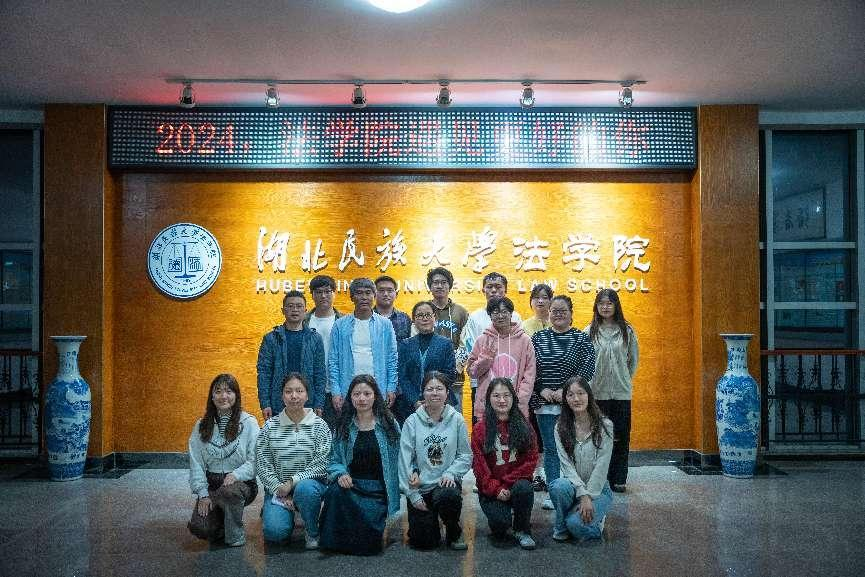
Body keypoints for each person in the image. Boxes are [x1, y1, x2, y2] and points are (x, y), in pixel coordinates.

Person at [320, 375, 401, 555]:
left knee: (369, 546)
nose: (362, 398)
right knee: (334, 492)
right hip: (352, 485)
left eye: (367, 393)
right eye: (356, 394)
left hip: (378, 489)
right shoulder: (343, 424)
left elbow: (401, 458)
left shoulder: (389, 424)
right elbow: (332, 458)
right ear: (350, 397)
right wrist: (341, 473)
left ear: (375, 396)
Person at [532, 295, 596, 509]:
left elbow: (587, 368)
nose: (558, 314)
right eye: (554, 311)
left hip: (573, 405)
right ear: (548, 313)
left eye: (563, 311)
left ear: (571, 314)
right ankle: (554, 493)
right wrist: (542, 388)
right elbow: (530, 367)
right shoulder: (538, 338)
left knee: (573, 448)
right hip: (544, 404)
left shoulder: (581, 338)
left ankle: (576, 491)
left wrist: (566, 391)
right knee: (551, 449)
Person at [255, 373, 332, 549]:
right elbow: (263, 465)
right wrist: (280, 489)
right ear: (282, 396)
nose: (294, 396)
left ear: (307, 395)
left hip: (311, 487)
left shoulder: (320, 425)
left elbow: (322, 464)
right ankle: (293, 512)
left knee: (305, 490)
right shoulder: (269, 427)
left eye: (299, 391)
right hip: (280, 490)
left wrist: (292, 482)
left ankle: (312, 531)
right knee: (275, 532)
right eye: (288, 391)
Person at [398, 371, 472, 550]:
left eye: (439, 389)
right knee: (424, 542)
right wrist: (413, 495)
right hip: (420, 486)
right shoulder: (411, 422)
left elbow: (465, 455)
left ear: (447, 393)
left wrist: (451, 473)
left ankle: (453, 529)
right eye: (429, 389)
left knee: (448, 496)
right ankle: (431, 521)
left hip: (445, 484)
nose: (434, 393)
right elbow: (404, 460)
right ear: (423, 393)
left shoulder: (457, 420)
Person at [187, 374, 260, 547]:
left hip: (241, 484)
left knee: (229, 492)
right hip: (212, 484)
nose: (223, 396)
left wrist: (236, 474)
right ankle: (220, 519)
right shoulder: (201, 425)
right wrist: (203, 494)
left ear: (236, 395)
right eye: (218, 391)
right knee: (201, 528)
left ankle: (235, 535)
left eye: (228, 391)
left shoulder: (249, 423)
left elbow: (255, 461)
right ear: (212, 397)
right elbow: (196, 463)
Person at [472, 377, 539, 550]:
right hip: (492, 489)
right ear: (488, 399)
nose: (502, 400)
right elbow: (480, 468)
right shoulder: (480, 429)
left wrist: (507, 485)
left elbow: (531, 461)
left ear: (513, 398)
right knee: (500, 526)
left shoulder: (525, 426)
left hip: (515, 485)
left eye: (506, 395)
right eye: (496, 396)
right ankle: (504, 518)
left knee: (524, 488)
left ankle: (522, 529)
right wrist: (496, 489)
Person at [585, 288, 639, 493]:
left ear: (616, 306)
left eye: (609, 303)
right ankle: (601, 479)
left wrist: (622, 379)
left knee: (621, 436)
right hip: (596, 393)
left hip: (621, 393)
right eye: (601, 303)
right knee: (598, 437)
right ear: (596, 307)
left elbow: (633, 361)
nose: (605, 307)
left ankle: (619, 478)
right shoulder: (589, 331)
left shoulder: (627, 330)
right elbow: (585, 362)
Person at [548, 376, 614, 542]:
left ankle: (591, 522)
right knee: (558, 486)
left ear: (589, 395)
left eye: (581, 393)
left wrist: (589, 496)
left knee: (576, 525)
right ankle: (562, 525)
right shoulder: (560, 427)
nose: (576, 399)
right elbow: (566, 465)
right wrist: (582, 494)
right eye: (570, 395)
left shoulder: (605, 426)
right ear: (565, 399)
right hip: (573, 487)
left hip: (598, 490)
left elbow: (602, 466)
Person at [329, 278, 399, 414]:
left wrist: (391, 388)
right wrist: (335, 392)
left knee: (377, 424)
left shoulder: (385, 324)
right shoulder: (340, 325)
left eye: (368, 293)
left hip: (378, 388)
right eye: (359, 293)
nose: (364, 297)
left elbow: (392, 359)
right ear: (352, 297)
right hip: (348, 389)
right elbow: (333, 361)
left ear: (374, 296)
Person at [456, 272, 522, 414]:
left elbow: (519, 350)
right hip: (482, 380)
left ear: (505, 290)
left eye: (498, 287)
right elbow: (470, 349)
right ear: (483, 290)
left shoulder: (516, 317)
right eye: (489, 287)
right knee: (482, 421)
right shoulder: (474, 318)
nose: (493, 290)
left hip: (510, 380)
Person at [257, 290, 327, 418]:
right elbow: (264, 373)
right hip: (278, 403)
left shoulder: (315, 338)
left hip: (308, 404)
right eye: (290, 306)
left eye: (299, 306)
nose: (295, 310)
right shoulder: (271, 338)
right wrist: (265, 403)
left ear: (305, 311)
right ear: (283, 310)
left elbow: (320, 373)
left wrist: (319, 403)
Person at [467, 296, 535, 421]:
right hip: (487, 406)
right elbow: (472, 373)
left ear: (511, 314)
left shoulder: (525, 340)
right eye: (495, 312)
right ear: (490, 315)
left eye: (504, 311)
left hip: (516, 406)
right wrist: (486, 358)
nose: (500, 316)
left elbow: (529, 375)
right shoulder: (482, 340)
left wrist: (519, 401)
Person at [395, 301, 457, 423]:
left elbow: (450, 374)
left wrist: (433, 397)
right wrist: (414, 401)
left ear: (435, 317)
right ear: (414, 320)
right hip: (411, 406)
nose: (424, 318)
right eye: (420, 315)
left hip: (441, 402)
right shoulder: (405, 345)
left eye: (428, 315)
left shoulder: (446, 344)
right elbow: (402, 376)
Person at [521, 283, 554, 492]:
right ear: (531, 302)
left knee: (551, 435)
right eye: (536, 297)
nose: (540, 301)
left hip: (555, 388)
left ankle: (552, 474)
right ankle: (536, 474)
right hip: (531, 388)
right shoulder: (524, 326)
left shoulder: (557, 324)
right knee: (533, 432)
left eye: (545, 297)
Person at [423, 267, 469, 409]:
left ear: (450, 286)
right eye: (435, 282)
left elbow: (466, 343)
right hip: (428, 379)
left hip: (454, 380)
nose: (439, 286)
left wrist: (454, 369)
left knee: (454, 419)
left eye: (443, 282)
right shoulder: (423, 310)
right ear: (430, 286)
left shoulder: (461, 312)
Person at [304, 275, 343, 425]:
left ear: (334, 293)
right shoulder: (303, 321)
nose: (323, 296)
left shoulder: (344, 322)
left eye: (327, 291)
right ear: (312, 295)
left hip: (337, 388)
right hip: (310, 387)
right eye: (319, 292)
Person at [374, 275, 412, 342]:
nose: (385, 294)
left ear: (396, 294)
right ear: (374, 294)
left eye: (390, 290)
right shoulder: (365, 318)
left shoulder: (405, 319)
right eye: (381, 290)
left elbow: (410, 344)